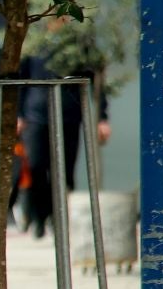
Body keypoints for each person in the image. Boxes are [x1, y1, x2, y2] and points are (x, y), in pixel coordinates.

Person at [16, 54, 111, 238]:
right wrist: (18, 114)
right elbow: (20, 78)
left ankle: (58, 218)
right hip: (35, 116)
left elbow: (98, 80)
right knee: (35, 166)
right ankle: (39, 216)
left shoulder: (76, 42)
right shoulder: (34, 41)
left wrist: (102, 117)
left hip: (69, 116)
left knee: (65, 171)